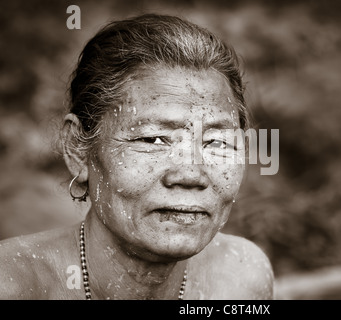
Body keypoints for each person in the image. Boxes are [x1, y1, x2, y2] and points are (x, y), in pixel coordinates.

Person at [0, 13, 273, 300]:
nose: (191, 174)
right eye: (152, 139)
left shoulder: (240, 278)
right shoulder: (12, 287)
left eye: (217, 142)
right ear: (79, 149)